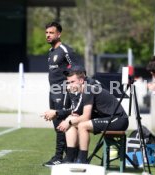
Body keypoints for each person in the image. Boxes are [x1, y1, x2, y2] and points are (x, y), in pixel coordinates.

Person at [56, 68, 129, 164]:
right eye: (68, 82)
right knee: (72, 119)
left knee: (82, 125)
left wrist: (68, 122)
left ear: (81, 81)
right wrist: (68, 119)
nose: (69, 85)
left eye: (72, 82)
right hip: (107, 118)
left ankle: (82, 160)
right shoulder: (83, 92)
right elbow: (75, 113)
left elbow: (85, 117)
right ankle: (70, 157)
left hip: (119, 119)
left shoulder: (88, 90)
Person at [43, 21, 80, 167]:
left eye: (51, 33)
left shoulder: (65, 50)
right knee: (56, 124)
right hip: (53, 91)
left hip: (63, 91)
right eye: (46, 33)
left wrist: (71, 87)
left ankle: (61, 157)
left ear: (59, 34)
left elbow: (78, 69)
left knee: (62, 124)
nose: (48, 35)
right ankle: (65, 156)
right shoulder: (51, 52)